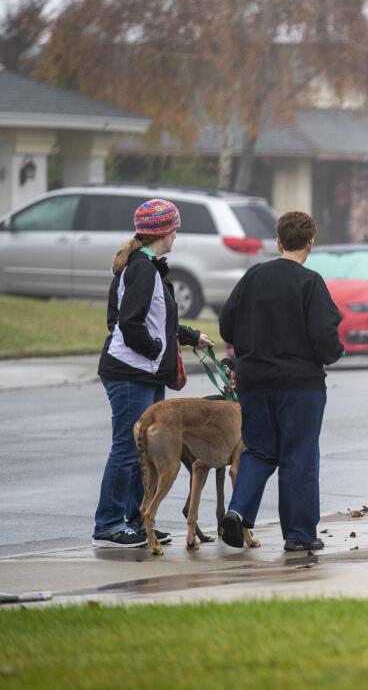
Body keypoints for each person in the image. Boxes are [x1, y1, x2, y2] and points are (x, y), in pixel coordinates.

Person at [218, 212, 343, 552]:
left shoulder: (253, 276)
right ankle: (300, 534)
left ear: (278, 241)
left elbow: (226, 326)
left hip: (253, 382)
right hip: (300, 385)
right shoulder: (310, 282)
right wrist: (332, 353)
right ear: (310, 243)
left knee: (258, 450)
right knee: (298, 455)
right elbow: (325, 337)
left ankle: (238, 510)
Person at [93, 199, 213, 548]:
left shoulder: (148, 267)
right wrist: (154, 350)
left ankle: (137, 519)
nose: (177, 234)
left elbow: (156, 319)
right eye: (175, 228)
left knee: (144, 450)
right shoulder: (142, 269)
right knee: (128, 448)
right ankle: (109, 522)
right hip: (130, 372)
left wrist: (191, 337)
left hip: (144, 372)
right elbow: (129, 324)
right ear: (163, 231)